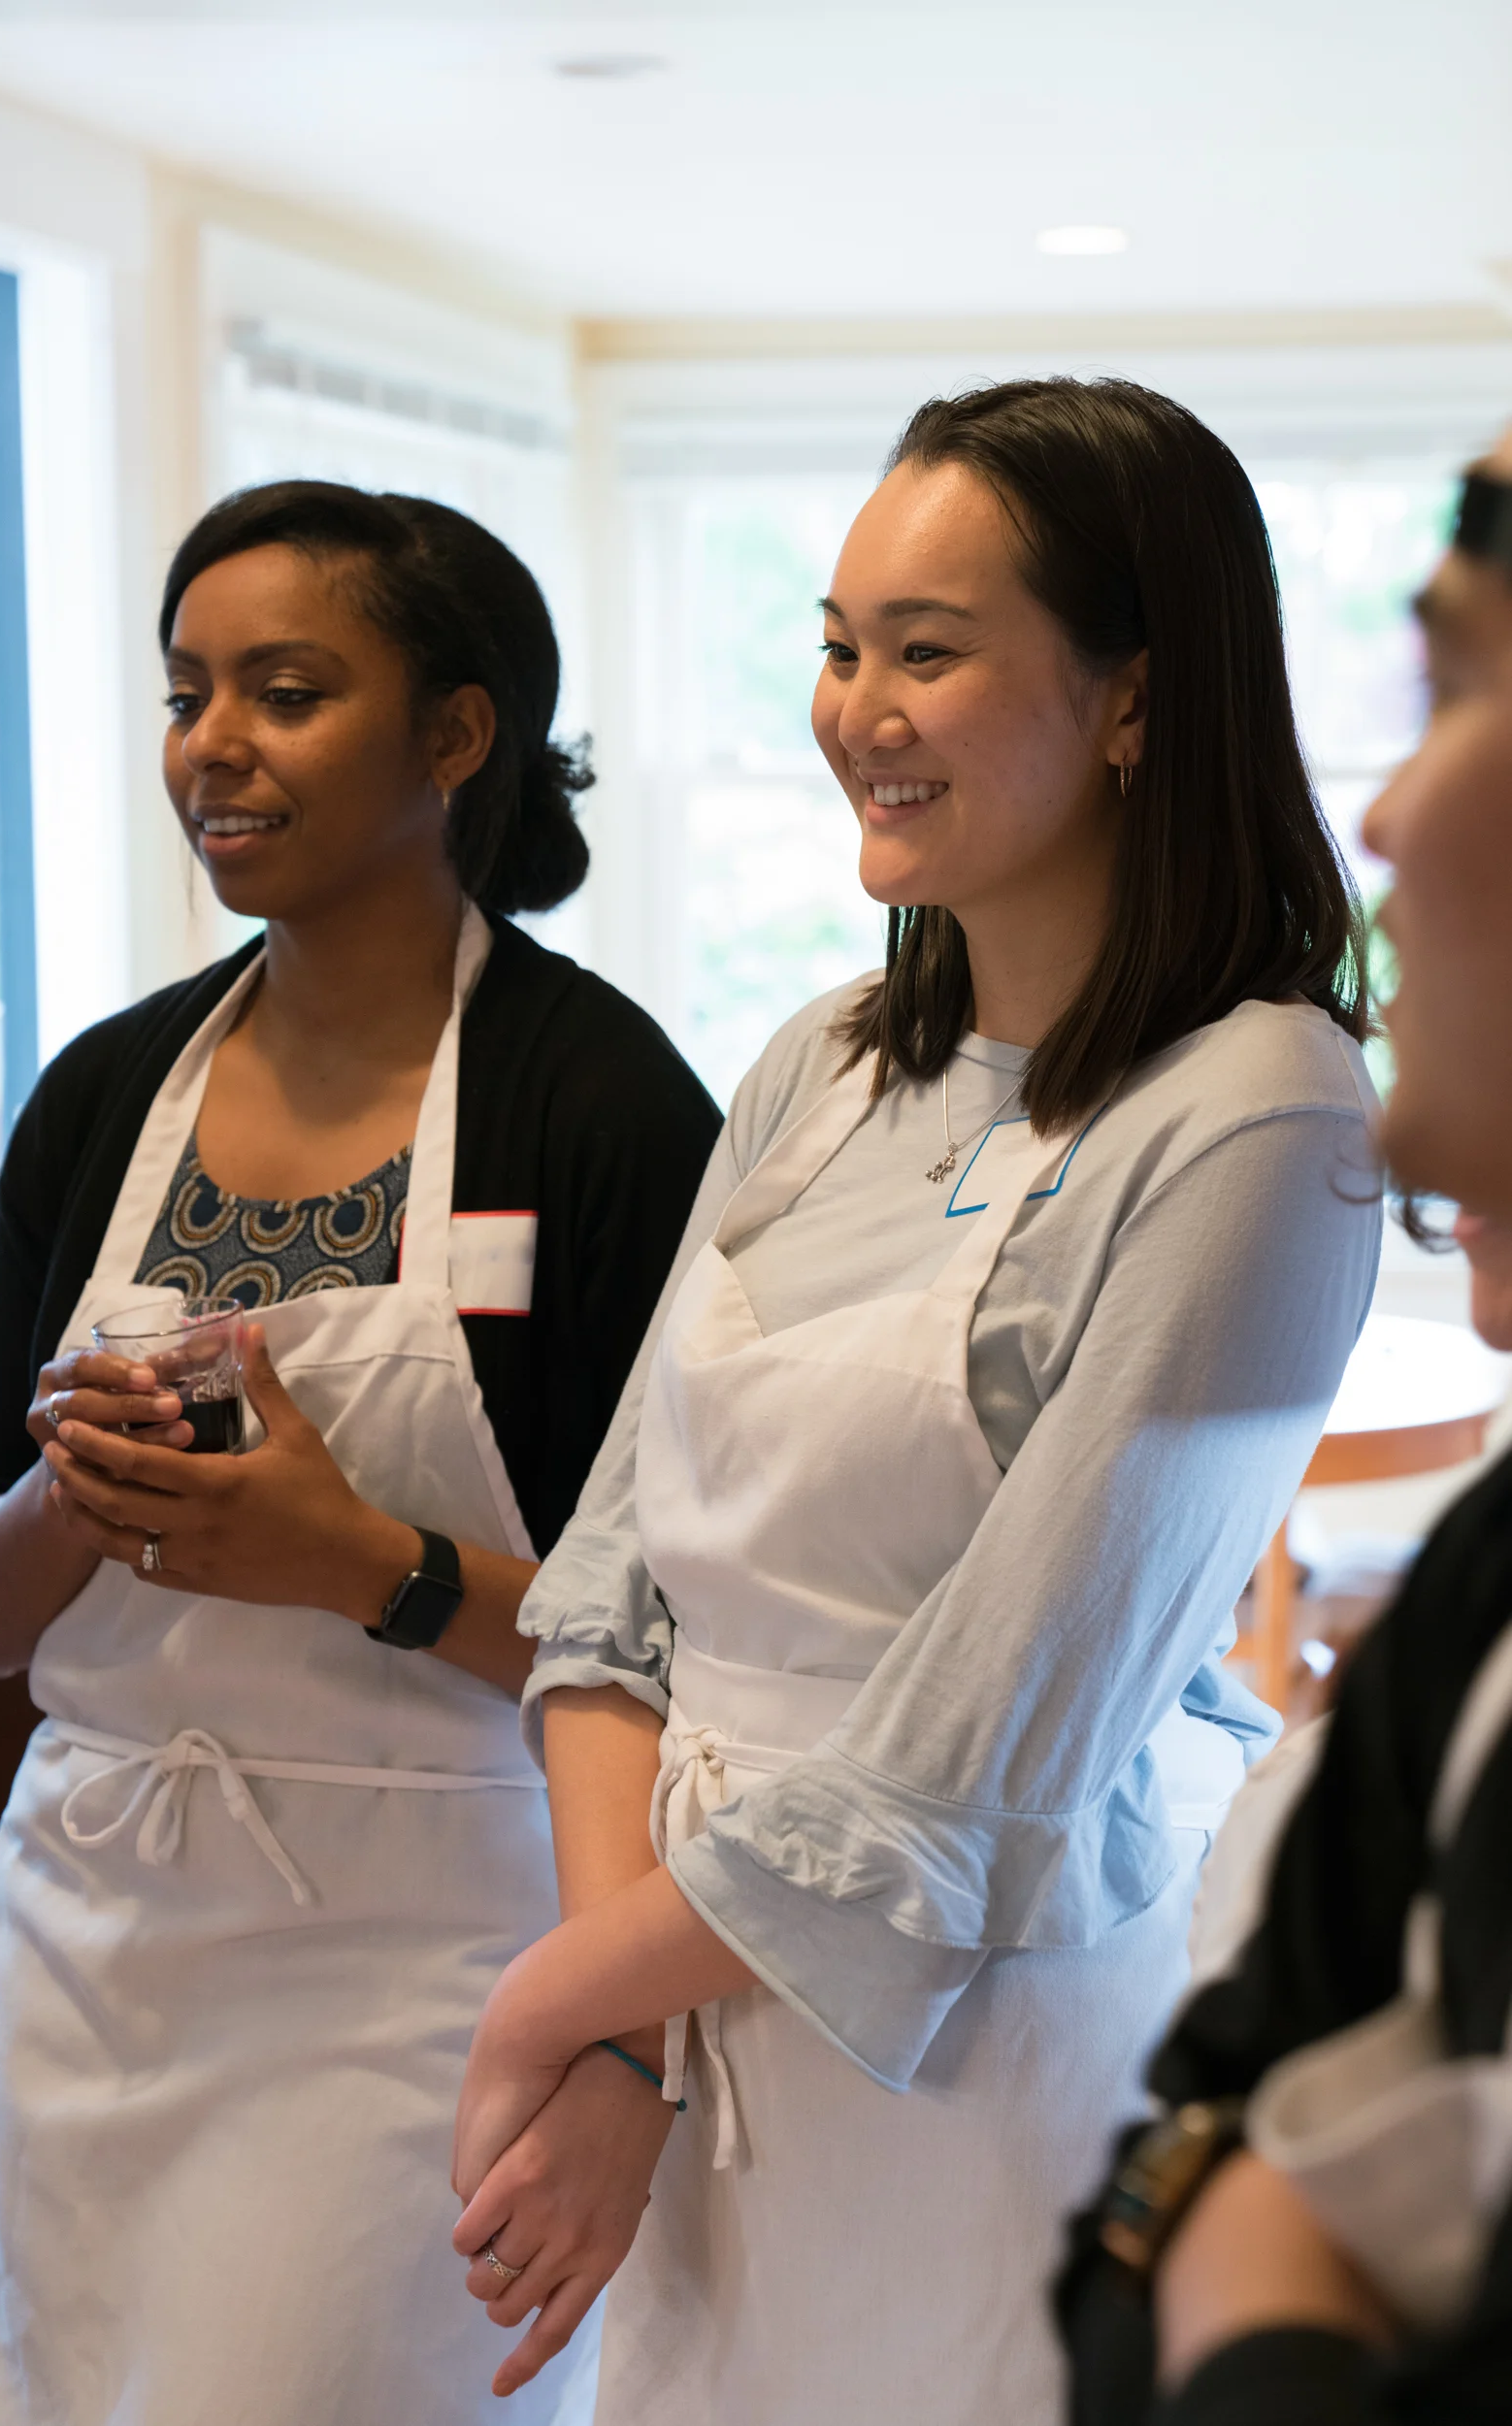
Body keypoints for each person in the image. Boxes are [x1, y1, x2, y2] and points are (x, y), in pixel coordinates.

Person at [445, 377, 1383, 2425]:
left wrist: (555, 1997)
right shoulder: (826, 1056)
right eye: (840, 644)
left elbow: (975, 1755)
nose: (860, 703)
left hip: (977, 2063)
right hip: (691, 2013)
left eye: (931, 651)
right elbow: (609, 1590)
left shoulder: (1259, 1114)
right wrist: (620, 2042)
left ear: (1136, 695)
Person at [0, 481, 720, 2426]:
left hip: (433, 1939)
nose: (214, 742)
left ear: (454, 735)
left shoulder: (598, 1105)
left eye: (286, 689)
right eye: (189, 687)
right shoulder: (108, 1093)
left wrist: (359, 1556)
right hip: (99, 1925)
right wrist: (72, 1495)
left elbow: (696, 1657)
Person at [1057, 437, 1512, 2424]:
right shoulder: (1492, 1566)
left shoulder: (1261, 1097)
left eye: (1472, 689)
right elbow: (1168, 2162)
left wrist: (1258, 2257)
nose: (1396, 802)